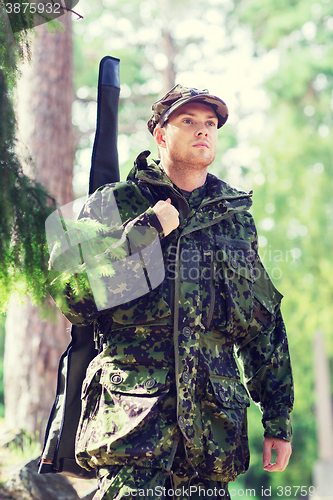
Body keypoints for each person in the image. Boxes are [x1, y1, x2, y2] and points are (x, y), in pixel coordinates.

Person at [50, 85, 293, 500]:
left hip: (212, 439)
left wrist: (278, 419)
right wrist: (145, 233)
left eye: (210, 124)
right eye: (189, 121)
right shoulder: (113, 205)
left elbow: (262, 323)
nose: (203, 131)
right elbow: (73, 297)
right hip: (131, 433)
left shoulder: (233, 220)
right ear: (160, 135)